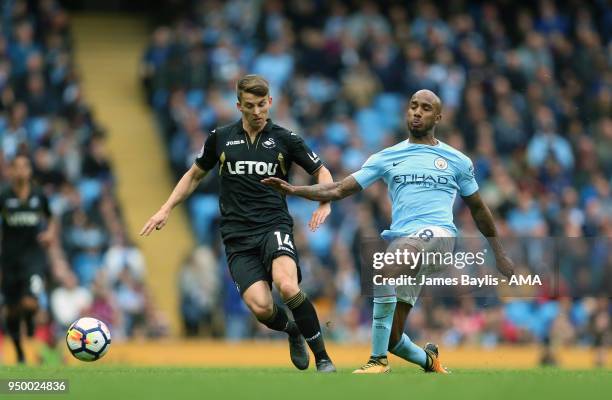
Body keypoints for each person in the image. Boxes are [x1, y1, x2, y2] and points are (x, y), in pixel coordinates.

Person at [262, 89, 515, 373]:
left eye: (426, 108)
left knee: (383, 270)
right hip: (405, 242)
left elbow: (479, 209)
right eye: (413, 106)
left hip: (439, 236)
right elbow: (339, 188)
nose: (417, 112)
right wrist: (294, 189)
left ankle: (377, 361)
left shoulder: (457, 160)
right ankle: (429, 361)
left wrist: (499, 254)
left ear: (439, 117)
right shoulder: (387, 157)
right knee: (393, 338)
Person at [140, 74, 336, 372]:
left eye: (261, 105)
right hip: (237, 236)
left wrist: (325, 201)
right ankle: (293, 331)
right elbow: (193, 175)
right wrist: (166, 208)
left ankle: (323, 358)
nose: (256, 112)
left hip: (273, 226)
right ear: (238, 106)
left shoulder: (285, 139)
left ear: (269, 102)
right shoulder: (220, 138)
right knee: (261, 307)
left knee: (286, 285)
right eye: (249, 106)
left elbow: (322, 172)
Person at [0, 154, 57, 363]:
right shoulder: (4, 195)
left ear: (30, 171)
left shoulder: (39, 195)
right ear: (11, 171)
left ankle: (31, 320)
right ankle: (19, 352)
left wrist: (50, 233)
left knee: (30, 303)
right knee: (12, 311)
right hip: (9, 259)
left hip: (34, 257)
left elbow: (50, 218)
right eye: (18, 167)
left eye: (26, 166)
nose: (22, 171)